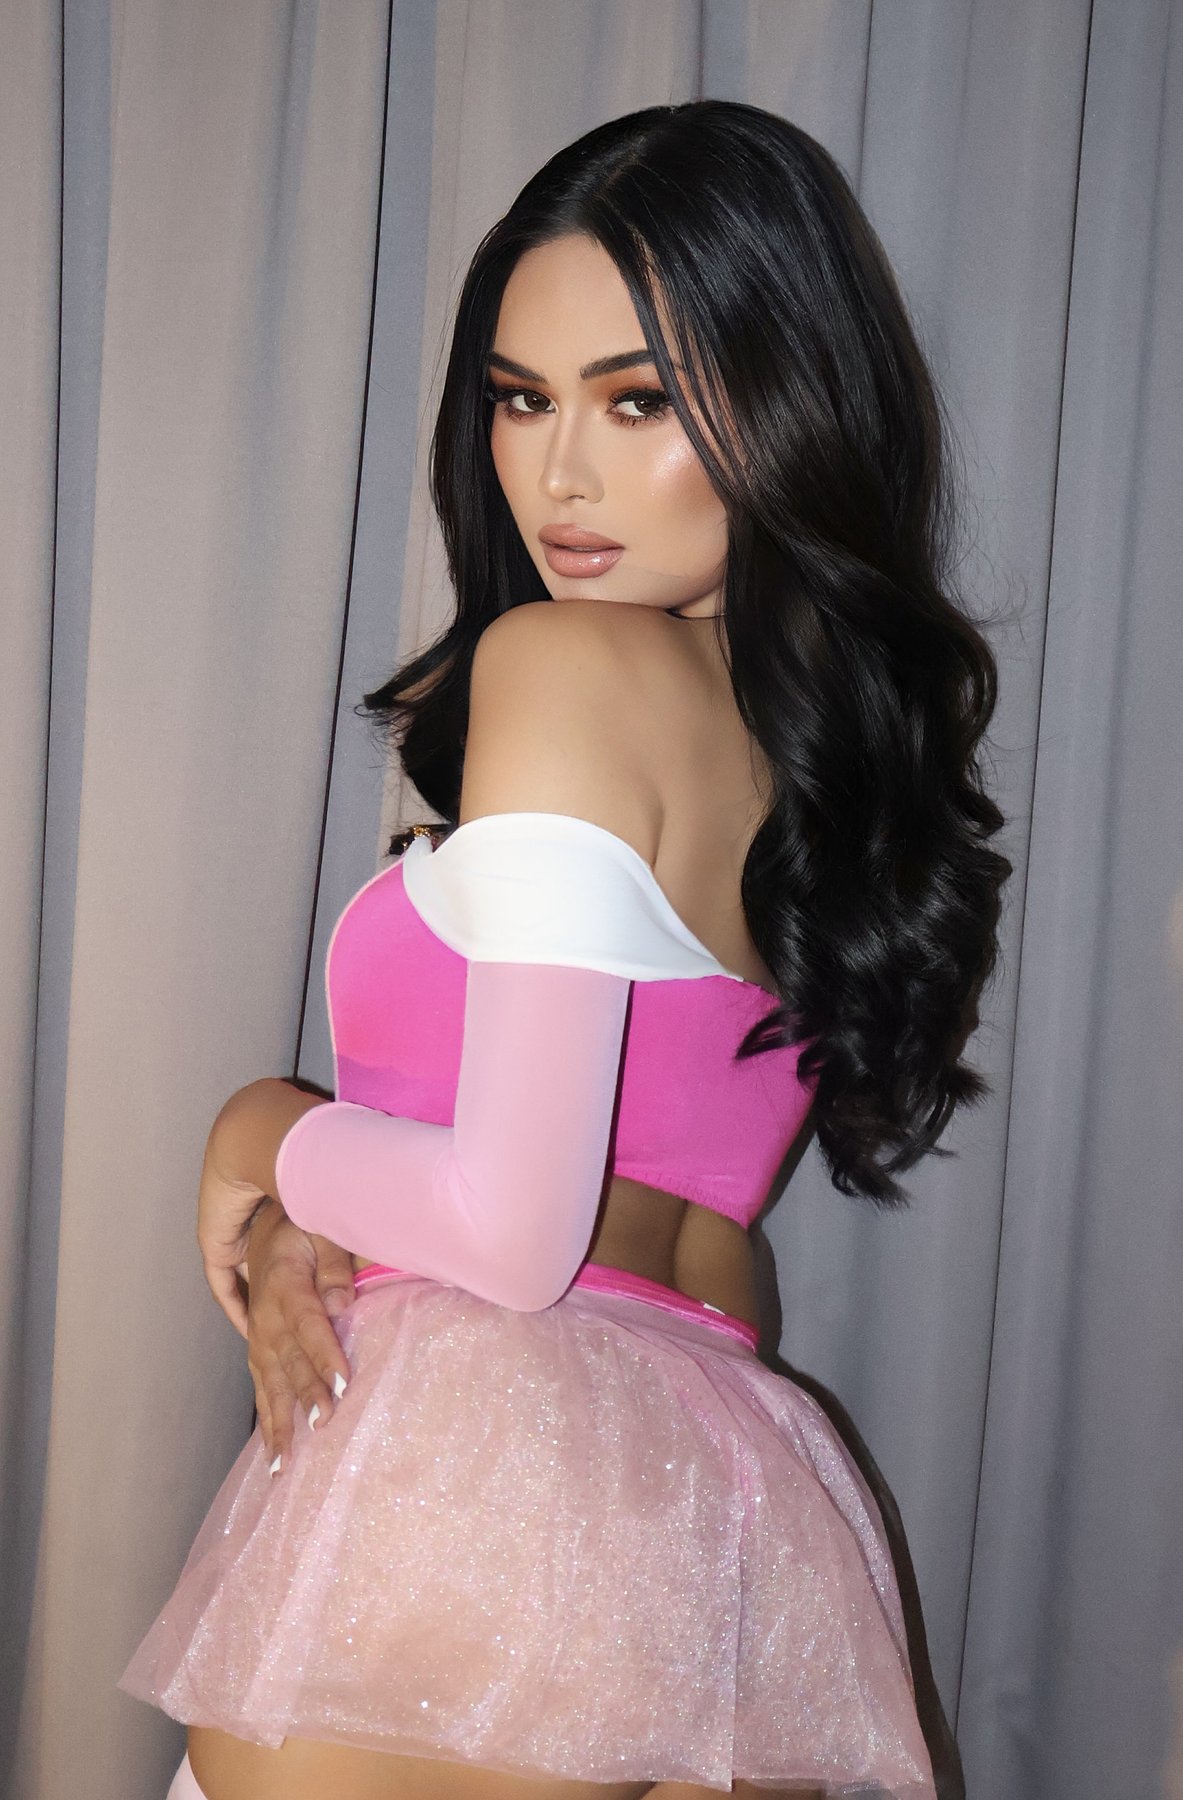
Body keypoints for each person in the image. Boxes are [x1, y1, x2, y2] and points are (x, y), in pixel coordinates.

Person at [119, 99, 1010, 1800]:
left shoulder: (561, 666)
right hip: (737, 1531)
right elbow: (698, 1254)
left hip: (481, 1501)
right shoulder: (837, 774)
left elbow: (514, 1232)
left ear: (790, 397)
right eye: (521, 399)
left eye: (639, 400)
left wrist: (260, 1133)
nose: (560, 475)